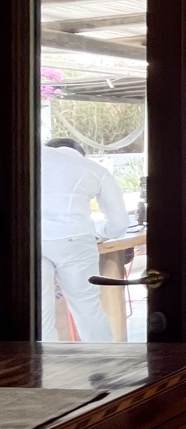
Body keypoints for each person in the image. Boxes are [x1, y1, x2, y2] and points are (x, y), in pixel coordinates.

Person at [41, 137, 129, 342]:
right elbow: (119, 223)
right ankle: (103, 358)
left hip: (32, 238)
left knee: (40, 311)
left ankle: (44, 360)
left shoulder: (34, 157)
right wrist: (102, 233)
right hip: (76, 238)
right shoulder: (94, 169)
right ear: (81, 153)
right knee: (87, 307)